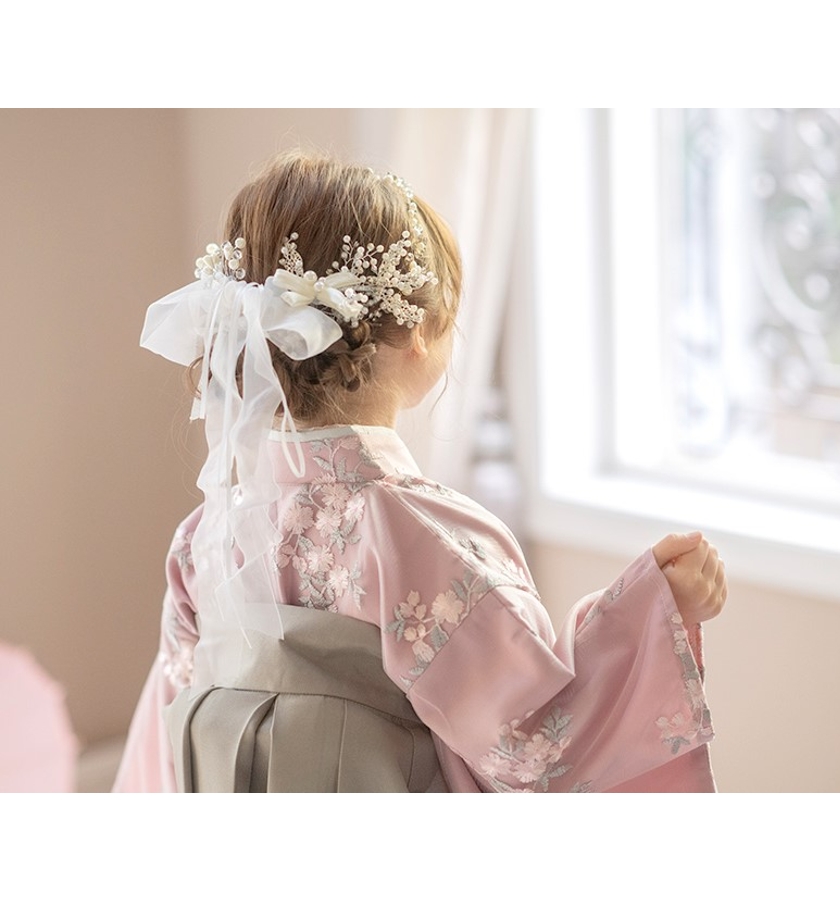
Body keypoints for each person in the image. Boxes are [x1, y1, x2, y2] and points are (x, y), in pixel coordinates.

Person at [114, 151, 727, 793]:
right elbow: (535, 746)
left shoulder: (204, 537)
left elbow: (168, 738)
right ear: (420, 333)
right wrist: (654, 610)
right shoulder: (416, 537)